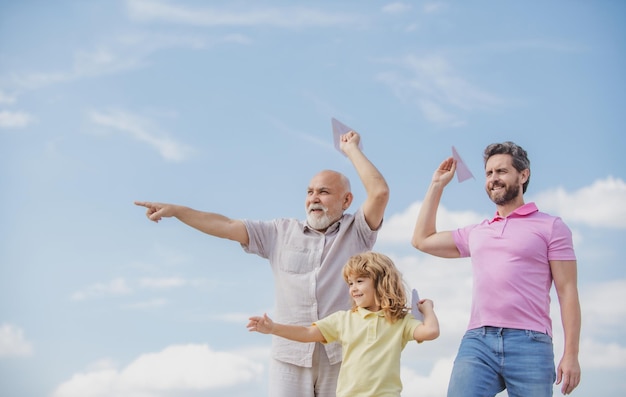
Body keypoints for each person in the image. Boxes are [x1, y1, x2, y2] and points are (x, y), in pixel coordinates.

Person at [135, 130, 389, 397]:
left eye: (324, 192)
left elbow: (380, 192)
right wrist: (178, 211)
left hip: (343, 353)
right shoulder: (279, 232)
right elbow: (226, 225)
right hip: (289, 356)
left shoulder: (358, 231)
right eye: (310, 192)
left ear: (346, 200)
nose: (314, 198)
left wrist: (351, 150)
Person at [411, 141, 581, 397]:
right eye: (489, 173)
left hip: (531, 342)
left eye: (501, 171)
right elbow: (421, 239)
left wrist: (571, 354)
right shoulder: (478, 231)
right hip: (478, 341)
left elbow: (567, 291)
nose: (493, 179)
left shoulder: (551, 227)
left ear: (523, 175)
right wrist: (436, 185)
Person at [247, 251, 440, 397]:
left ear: (381, 282)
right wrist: (273, 328)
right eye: (350, 283)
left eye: (359, 281)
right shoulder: (344, 320)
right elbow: (307, 333)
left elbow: (431, 331)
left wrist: (427, 308)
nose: (353, 288)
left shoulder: (399, 322)